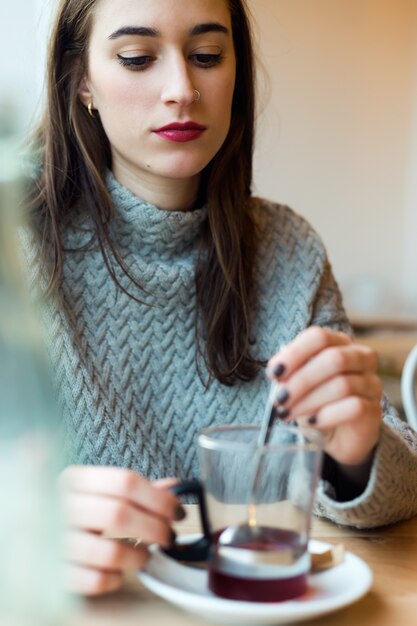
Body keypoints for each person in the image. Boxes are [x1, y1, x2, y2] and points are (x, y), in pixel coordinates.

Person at [23, 0, 417, 597]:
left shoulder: (288, 250)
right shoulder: (15, 245)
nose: (182, 89)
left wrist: (357, 453)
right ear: (82, 81)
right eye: (137, 58)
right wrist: (23, 525)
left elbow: (400, 488)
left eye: (207, 55)